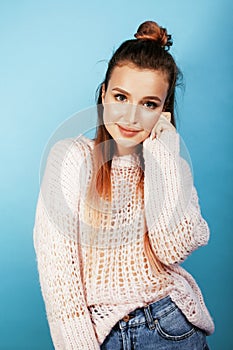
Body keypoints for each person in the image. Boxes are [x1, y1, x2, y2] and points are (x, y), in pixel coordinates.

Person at [33, 20, 214, 349]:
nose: (131, 118)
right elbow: (58, 274)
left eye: (149, 104)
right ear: (104, 94)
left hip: (173, 328)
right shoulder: (72, 157)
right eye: (121, 97)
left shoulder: (172, 168)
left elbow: (172, 247)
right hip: (105, 335)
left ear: (164, 111)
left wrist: (163, 151)